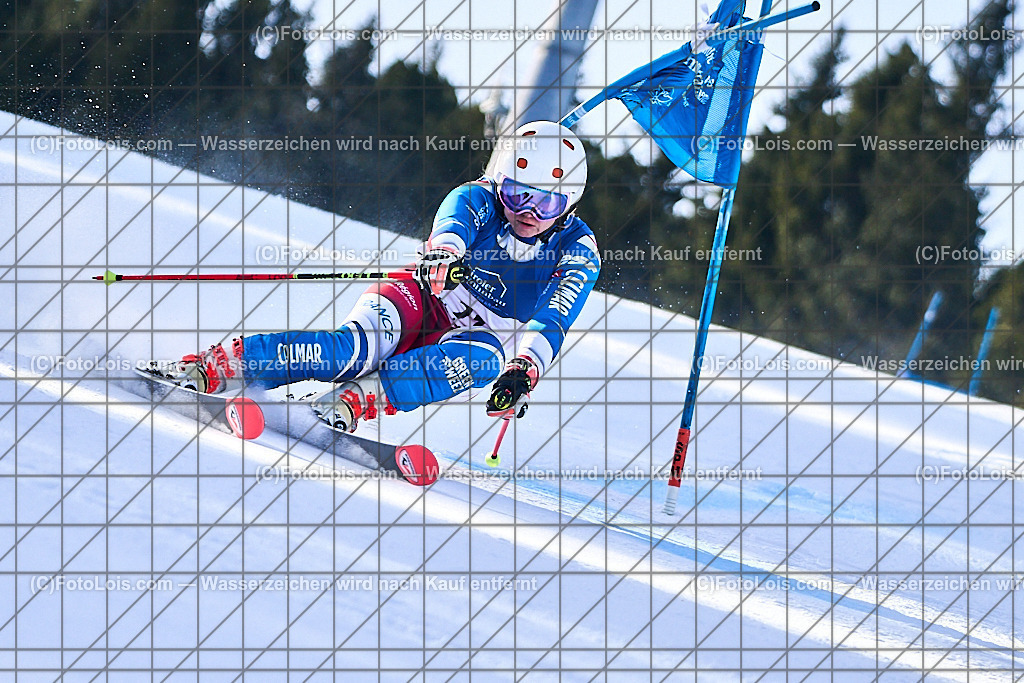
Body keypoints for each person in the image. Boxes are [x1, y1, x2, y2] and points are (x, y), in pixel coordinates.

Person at [161, 121, 601, 434]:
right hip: (422, 298)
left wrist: (524, 370)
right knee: (349, 351)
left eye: (546, 204)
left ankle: (354, 401)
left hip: (479, 335)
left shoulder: (578, 251)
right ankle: (221, 364)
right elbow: (454, 225)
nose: (527, 211)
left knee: (485, 361)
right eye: (518, 193)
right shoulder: (478, 197)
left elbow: (555, 315)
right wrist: (444, 256)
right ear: (498, 182)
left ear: (571, 204)